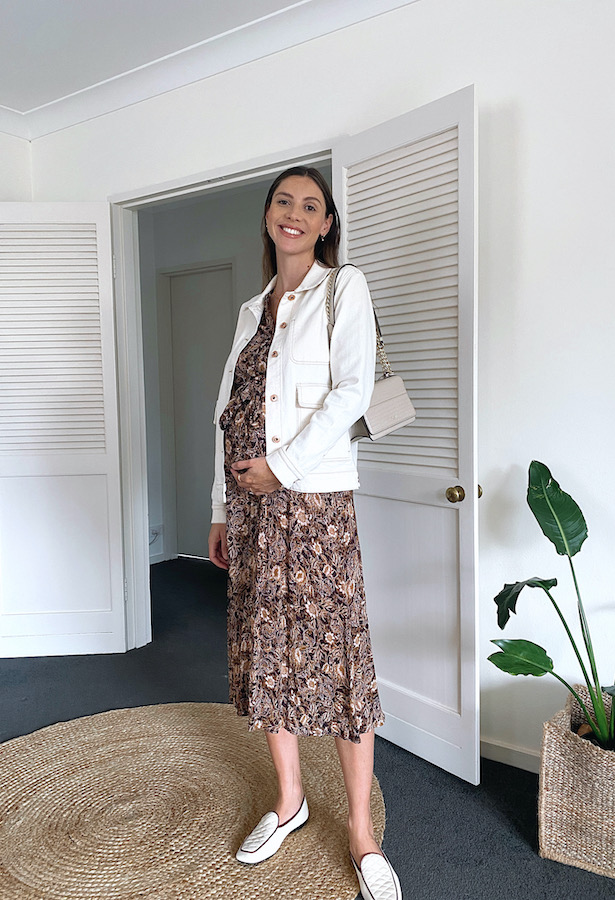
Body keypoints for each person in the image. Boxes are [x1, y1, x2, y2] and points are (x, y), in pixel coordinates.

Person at [208, 166, 402, 900]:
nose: (293, 213)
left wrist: (282, 468)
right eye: (282, 202)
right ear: (267, 216)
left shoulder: (341, 288)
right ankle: (288, 801)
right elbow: (225, 418)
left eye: (309, 206)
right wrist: (221, 508)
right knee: (267, 653)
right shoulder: (250, 309)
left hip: (313, 504)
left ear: (325, 225)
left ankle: (360, 832)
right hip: (250, 507)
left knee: (339, 657)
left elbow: (351, 390)